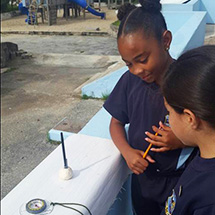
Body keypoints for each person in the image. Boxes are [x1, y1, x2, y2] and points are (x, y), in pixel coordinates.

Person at [103, 0, 197, 214]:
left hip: (180, 183)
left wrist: (180, 140)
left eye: (142, 60)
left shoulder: (188, 82)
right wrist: (127, 153)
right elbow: (115, 123)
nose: (136, 70)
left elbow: (207, 131)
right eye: (128, 63)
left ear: (166, 40)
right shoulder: (129, 82)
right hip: (143, 183)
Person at [161, 45, 215, 215]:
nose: (168, 120)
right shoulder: (203, 161)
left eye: (169, 113)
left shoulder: (208, 198)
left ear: (190, 118)